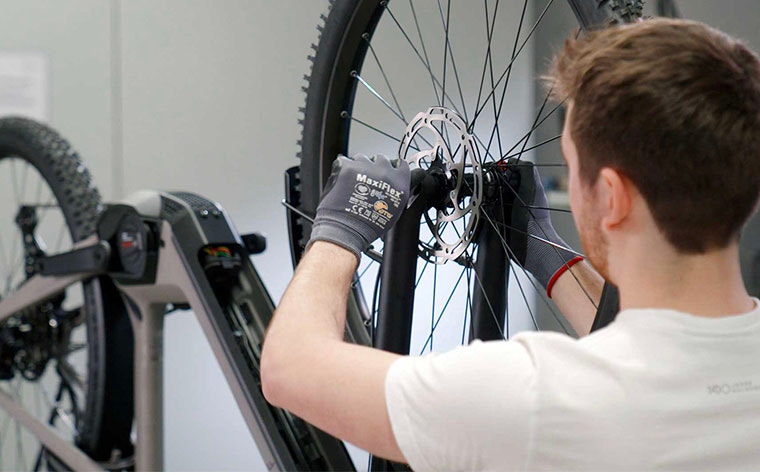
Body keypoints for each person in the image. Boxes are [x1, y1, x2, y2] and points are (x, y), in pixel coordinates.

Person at [261, 18, 760, 470]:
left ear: (610, 196)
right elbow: (656, 357)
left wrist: (339, 230)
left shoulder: (538, 398)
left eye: (572, 166)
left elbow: (288, 368)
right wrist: (547, 255)